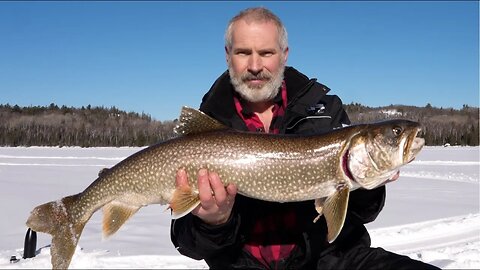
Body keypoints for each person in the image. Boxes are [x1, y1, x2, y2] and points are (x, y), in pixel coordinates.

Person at [170, 7, 440, 270]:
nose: (254, 65)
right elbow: (187, 244)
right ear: (228, 56)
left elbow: (361, 214)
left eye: (266, 53)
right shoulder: (207, 129)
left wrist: (369, 185)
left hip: (329, 259)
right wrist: (213, 223)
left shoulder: (325, 111)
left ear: (284, 55)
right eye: (243, 52)